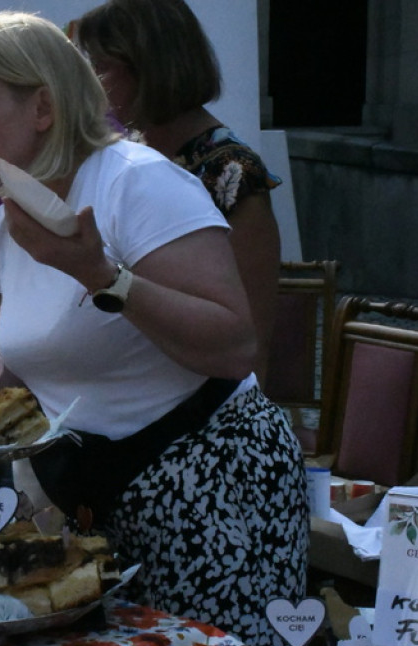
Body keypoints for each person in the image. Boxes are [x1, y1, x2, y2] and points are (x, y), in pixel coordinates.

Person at [0, 12, 306, 646]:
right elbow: (29, 376)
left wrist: (101, 275)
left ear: (44, 107)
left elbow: (233, 343)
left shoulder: (137, 181)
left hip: (209, 488)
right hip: (94, 504)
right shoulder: (9, 223)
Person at [76, 0, 282, 382]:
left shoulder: (232, 172)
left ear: (148, 68)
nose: (89, 83)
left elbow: (250, 341)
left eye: (100, 67)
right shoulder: (128, 156)